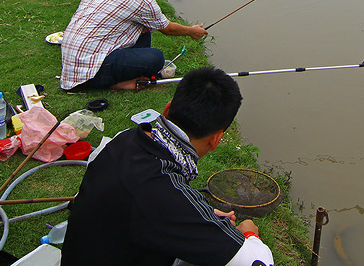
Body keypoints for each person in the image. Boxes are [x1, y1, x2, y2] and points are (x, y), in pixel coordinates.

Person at [61, 67, 275, 266]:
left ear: (166, 110)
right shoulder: (164, 193)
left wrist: (200, 215)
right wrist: (250, 235)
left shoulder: (123, 140)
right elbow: (258, 262)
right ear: (216, 139)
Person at [59, 0, 206, 91]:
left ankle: (121, 76)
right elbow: (168, 29)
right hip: (87, 70)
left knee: (144, 30)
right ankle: (111, 83)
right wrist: (191, 31)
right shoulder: (144, 1)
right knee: (156, 58)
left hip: (72, 55)